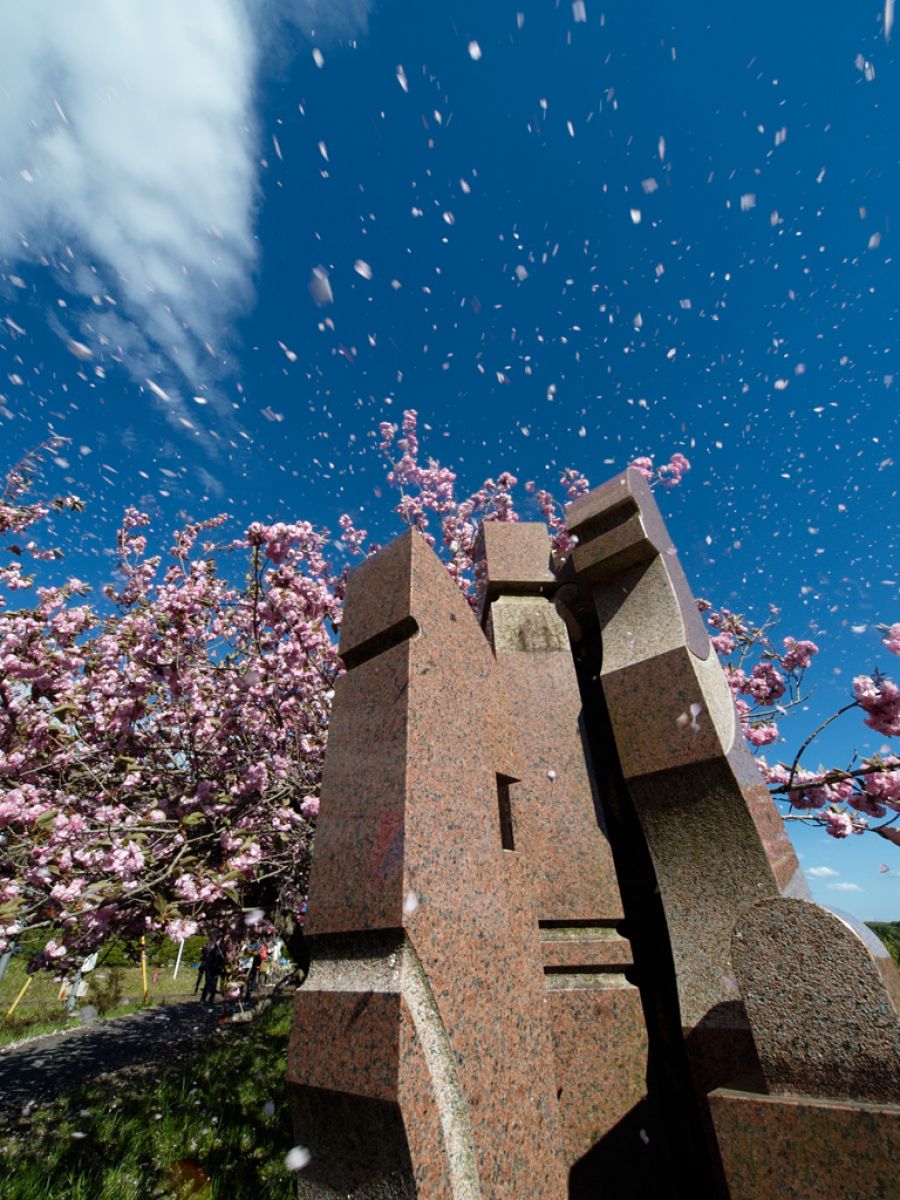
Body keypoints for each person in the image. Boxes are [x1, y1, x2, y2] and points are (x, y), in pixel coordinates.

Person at [200, 939, 225, 1004]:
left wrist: (222, 966)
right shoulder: (211, 949)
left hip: (217, 969)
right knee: (207, 983)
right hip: (209, 968)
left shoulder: (222, 950)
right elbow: (207, 956)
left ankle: (211, 999)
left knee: (214, 984)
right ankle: (203, 999)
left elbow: (222, 960)